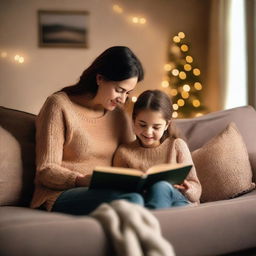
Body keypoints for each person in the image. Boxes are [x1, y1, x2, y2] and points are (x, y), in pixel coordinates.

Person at [30, 46, 145, 215]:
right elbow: (45, 170)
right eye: (119, 90)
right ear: (100, 78)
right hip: (60, 194)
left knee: (150, 194)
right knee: (131, 200)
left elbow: (131, 158)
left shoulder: (118, 115)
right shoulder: (58, 105)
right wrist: (81, 180)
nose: (122, 99)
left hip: (105, 191)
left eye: (128, 93)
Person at [113, 90, 202, 209]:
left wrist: (188, 189)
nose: (148, 132)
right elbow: (118, 189)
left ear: (166, 125)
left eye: (156, 127)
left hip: (178, 197)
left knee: (161, 186)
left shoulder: (177, 146)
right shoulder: (124, 152)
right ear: (134, 121)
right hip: (148, 202)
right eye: (142, 125)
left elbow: (196, 190)